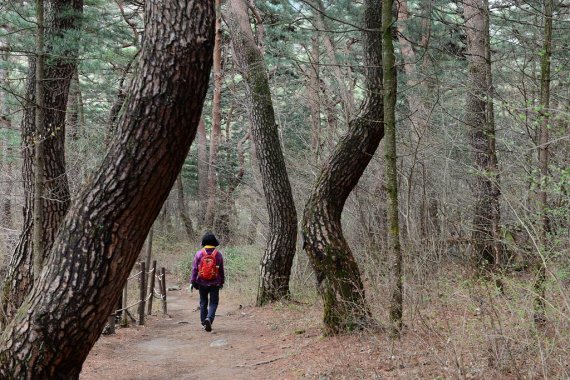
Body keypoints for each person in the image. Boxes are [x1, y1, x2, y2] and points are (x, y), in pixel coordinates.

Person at [191, 232, 225, 332]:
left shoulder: (199, 254)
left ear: (204, 242)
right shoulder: (218, 255)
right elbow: (221, 270)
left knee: (203, 302)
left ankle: (203, 322)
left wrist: (193, 281)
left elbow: (194, 269)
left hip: (202, 282)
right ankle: (209, 319)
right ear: (214, 243)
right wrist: (222, 282)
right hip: (215, 283)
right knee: (213, 302)